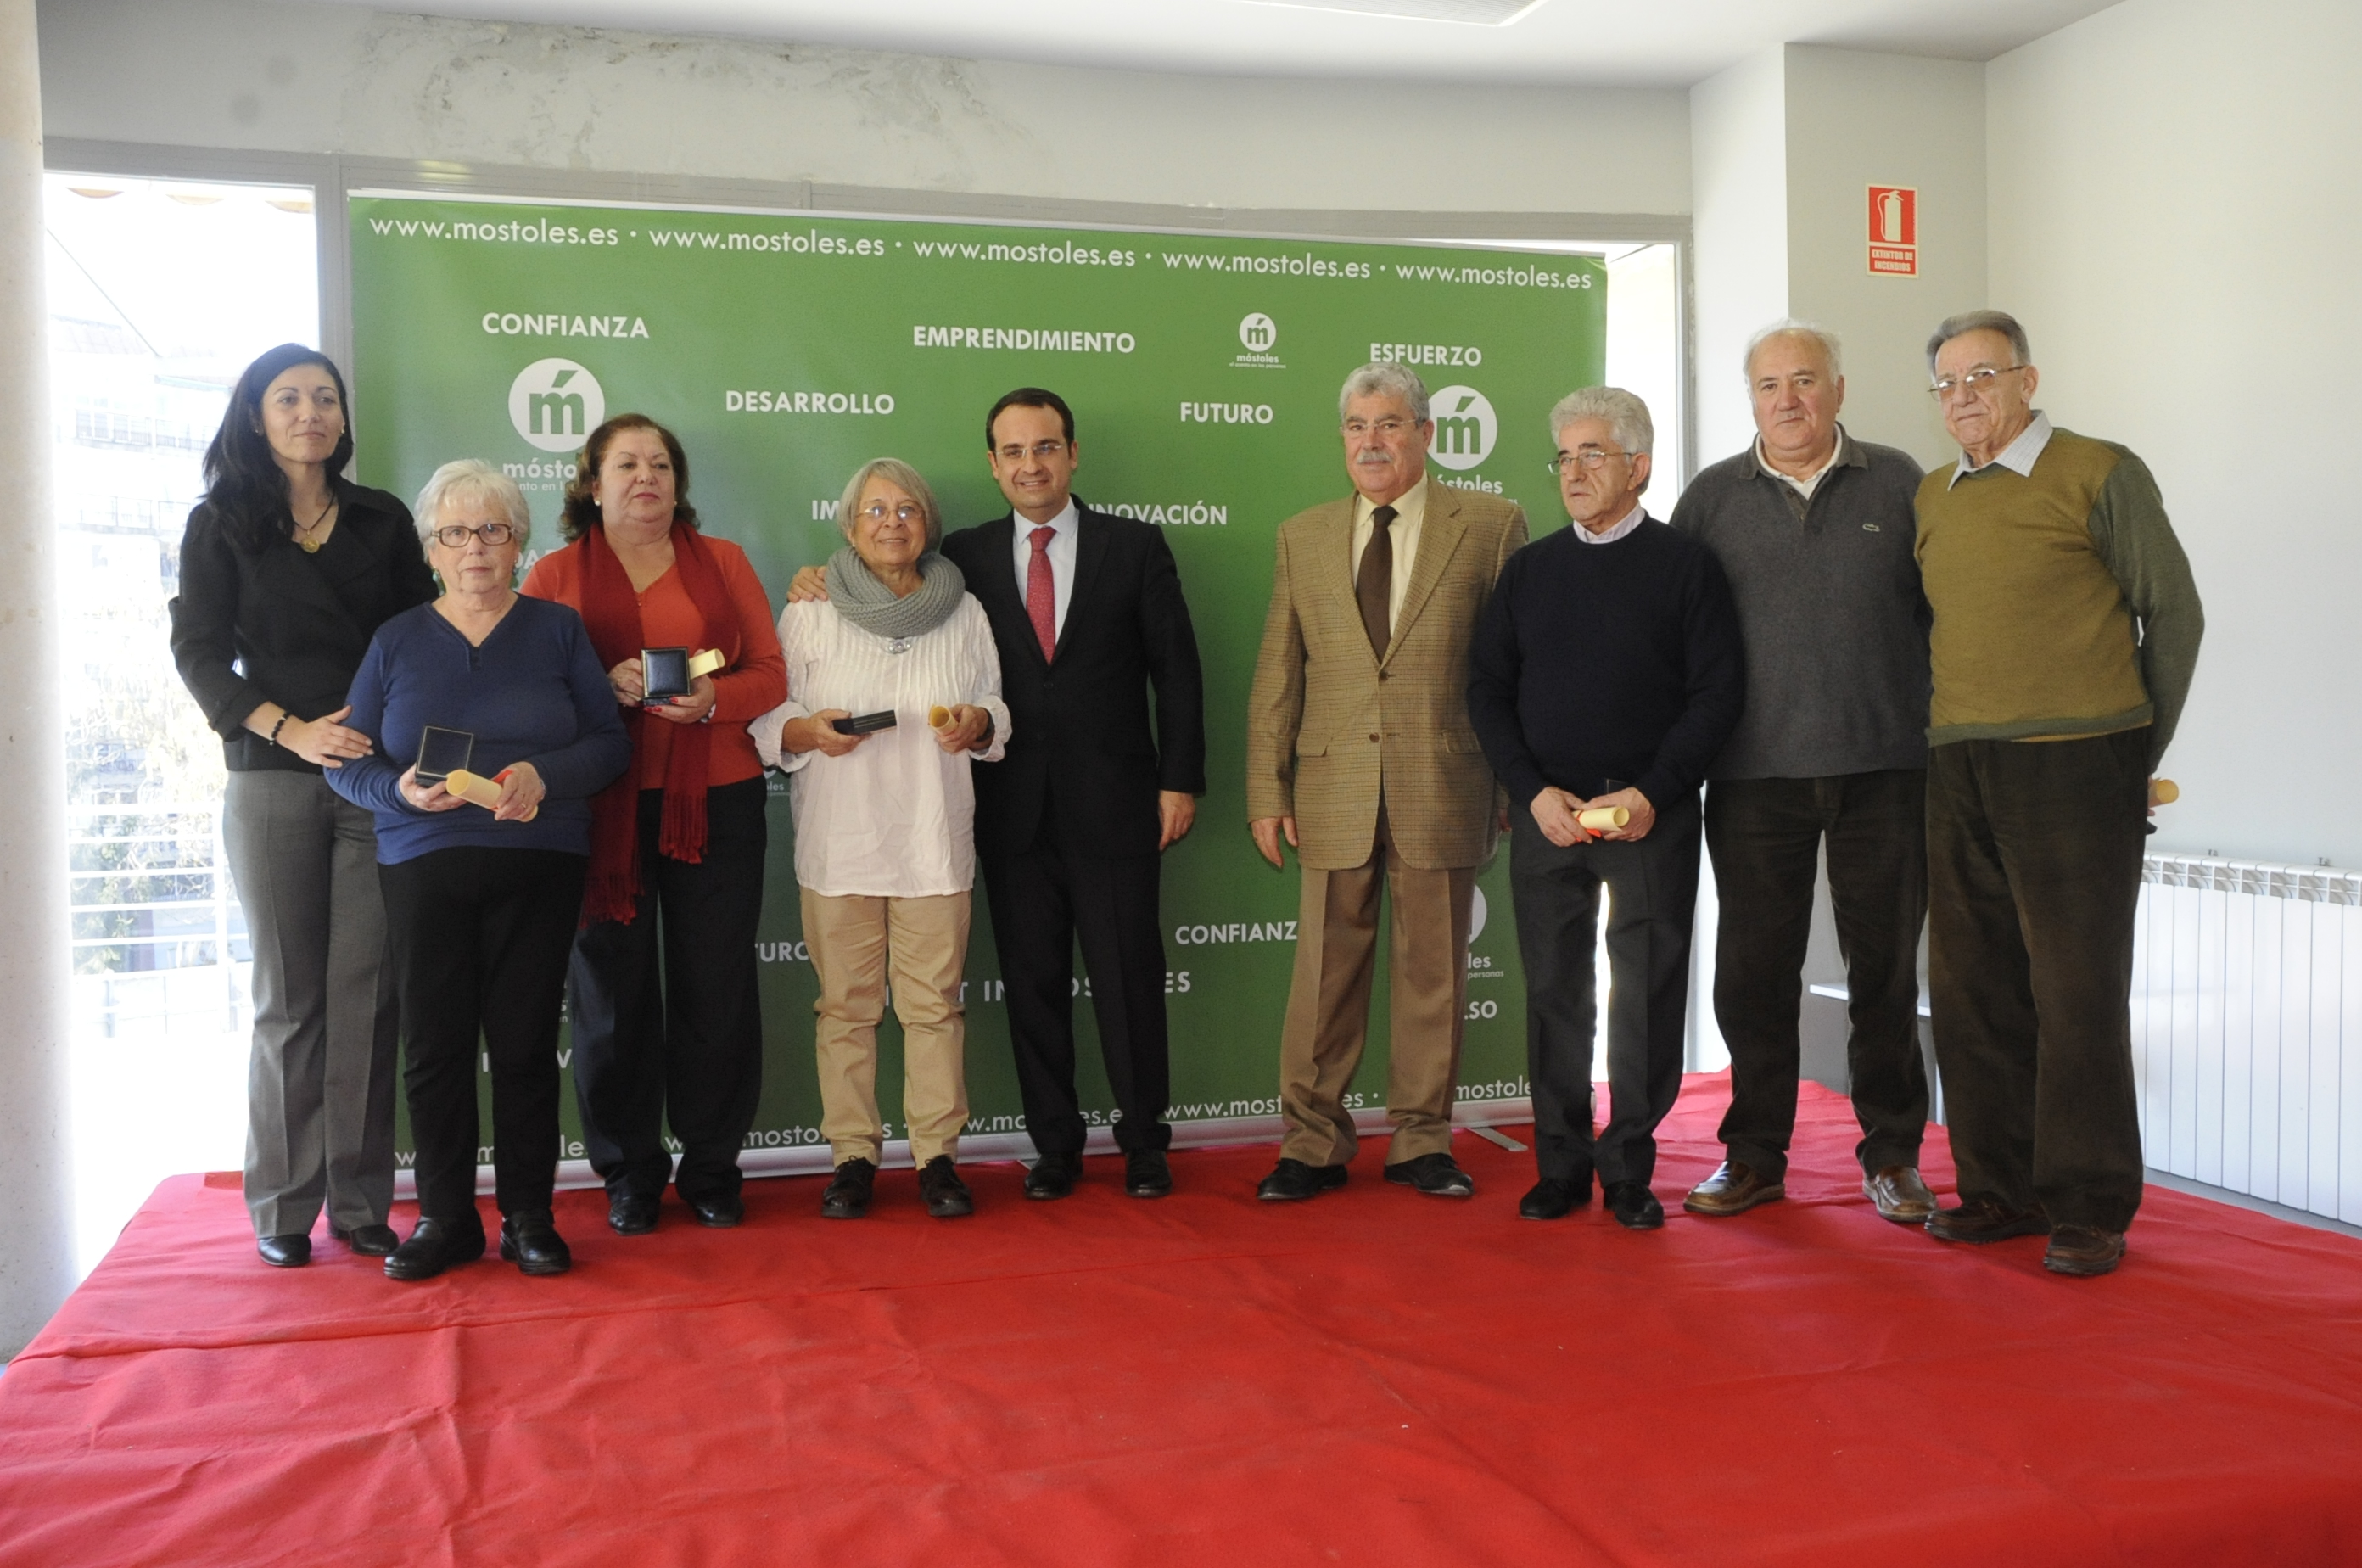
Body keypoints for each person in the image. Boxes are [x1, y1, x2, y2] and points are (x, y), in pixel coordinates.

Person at [785, 389, 1206, 1202]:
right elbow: (880, 580)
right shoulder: (965, 560)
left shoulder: (1134, 547)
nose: (1030, 465)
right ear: (992, 464)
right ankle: (1055, 1148)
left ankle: (1145, 1144)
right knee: (1032, 985)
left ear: (1072, 454)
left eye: (1045, 447)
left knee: (1127, 980)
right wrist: (817, 577)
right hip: (1013, 812)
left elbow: (1178, 673)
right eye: (1013, 452)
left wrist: (1179, 781)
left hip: (1117, 804)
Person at [1914, 310, 2202, 1278]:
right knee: (1971, 990)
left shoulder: (2099, 471)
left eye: (1983, 376)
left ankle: (2087, 1206)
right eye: (1947, 382)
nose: (1964, 396)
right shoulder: (1933, 495)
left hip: (2081, 762)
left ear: (2027, 381)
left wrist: (2134, 753)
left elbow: (2175, 612)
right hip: (1959, 762)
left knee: (2076, 994)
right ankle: (1999, 1191)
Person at [327, 462, 630, 1280]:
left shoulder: (559, 630)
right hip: (422, 862)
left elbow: (609, 745)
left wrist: (545, 775)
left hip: (540, 857)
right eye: (455, 534)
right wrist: (394, 790)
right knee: (435, 1046)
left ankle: (529, 1217)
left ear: (518, 542)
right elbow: (345, 762)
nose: (475, 549)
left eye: (493, 530)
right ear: (431, 550)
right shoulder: (395, 641)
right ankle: (446, 1219)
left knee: (526, 1043)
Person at [168, 343, 434, 1268]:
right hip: (272, 773)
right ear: (256, 416)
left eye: (324, 397)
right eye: (287, 398)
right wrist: (290, 730)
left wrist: (386, 738)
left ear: (343, 416)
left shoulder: (382, 519)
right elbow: (199, 653)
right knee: (290, 999)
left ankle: (360, 1204)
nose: (309, 412)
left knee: (368, 995)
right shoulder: (220, 523)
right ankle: (282, 1206)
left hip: (375, 776)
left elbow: (421, 639)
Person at [1667, 322, 1939, 1226]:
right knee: (1753, 976)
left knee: (1886, 975)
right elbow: (1678, 639)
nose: (1788, 400)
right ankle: (1753, 1156)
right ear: (1750, 398)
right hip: (1753, 776)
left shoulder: (1899, 483)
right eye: (1769, 385)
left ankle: (1893, 1156)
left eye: (1806, 381)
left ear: (1839, 388)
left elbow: (1942, 616)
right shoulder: (1711, 498)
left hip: (1886, 768)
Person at [1244, 362, 1526, 1202]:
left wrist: (1511, 785)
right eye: (1357, 427)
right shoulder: (1302, 535)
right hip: (1331, 789)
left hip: (1446, 782)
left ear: (1426, 435)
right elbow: (1278, 671)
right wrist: (1267, 790)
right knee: (1323, 979)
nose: (1372, 442)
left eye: (1391, 424)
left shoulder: (1492, 525)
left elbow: (1515, 669)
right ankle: (1311, 1143)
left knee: (1434, 976)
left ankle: (1421, 1141)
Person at [1468, 386, 1744, 1229]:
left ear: (1639, 466)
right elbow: (1487, 690)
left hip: (1648, 816)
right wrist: (1529, 790)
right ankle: (1560, 1165)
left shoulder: (1687, 567)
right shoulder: (1530, 571)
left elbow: (1717, 695)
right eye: (1565, 457)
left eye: (1593, 454)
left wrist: (1654, 792)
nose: (1574, 471)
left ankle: (1628, 1169)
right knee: (1555, 992)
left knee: (1646, 993)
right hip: (1549, 816)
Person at [520, 415, 786, 1235]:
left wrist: (714, 700)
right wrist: (596, 688)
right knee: (610, 995)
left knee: (717, 989)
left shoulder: (725, 563)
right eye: (627, 464)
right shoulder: (554, 574)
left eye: (662, 464)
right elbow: (527, 694)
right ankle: (629, 1173)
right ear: (590, 484)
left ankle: (711, 1167)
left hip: (718, 801)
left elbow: (770, 674)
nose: (647, 477)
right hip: (601, 810)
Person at [756, 460, 1010, 1220]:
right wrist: (807, 731)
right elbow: (771, 717)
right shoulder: (810, 610)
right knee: (846, 1011)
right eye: (875, 510)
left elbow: (994, 702)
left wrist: (980, 723)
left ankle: (937, 1157)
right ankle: (852, 1158)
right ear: (849, 526)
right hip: (841, 845)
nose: (891, 522)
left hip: (933, 844)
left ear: (928, 524)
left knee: (934, 1010)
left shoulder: (965, 610)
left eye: (907, 509)